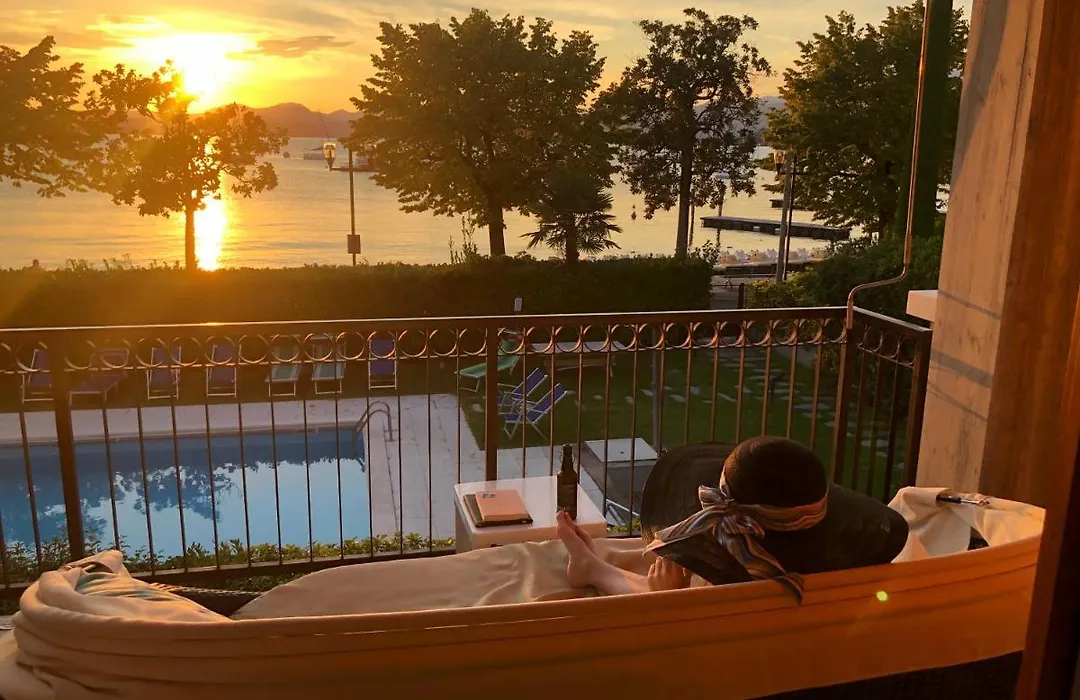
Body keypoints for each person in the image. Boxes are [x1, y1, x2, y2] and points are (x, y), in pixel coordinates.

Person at [556, 436, 910, 600]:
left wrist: (666, 603)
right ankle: (597, 565)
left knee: (665, 585)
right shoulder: (848, 572)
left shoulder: (743, 599)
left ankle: (594, 569)